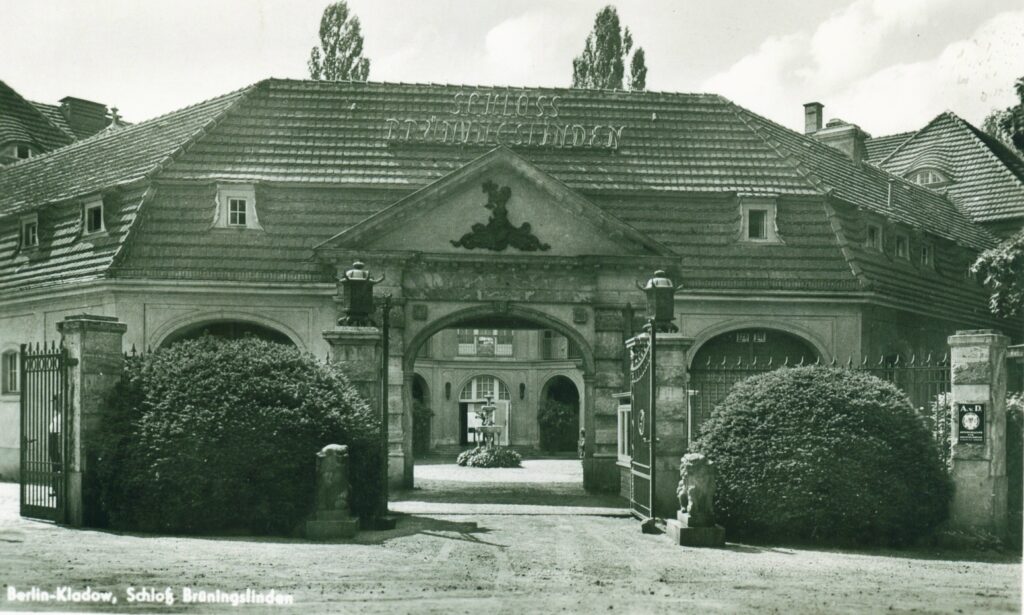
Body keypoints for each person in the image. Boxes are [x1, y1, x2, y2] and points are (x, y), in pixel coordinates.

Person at [48, 401, 62, 499]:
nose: (54, 406)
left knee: (57, 465)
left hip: (56, 440)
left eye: (55, 404)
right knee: (55, 465)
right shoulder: (57, 416)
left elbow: (60, 432)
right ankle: (55, 488)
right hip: (53, 439)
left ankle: (57, 489)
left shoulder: (61, 416)